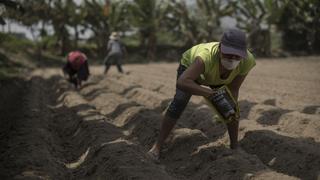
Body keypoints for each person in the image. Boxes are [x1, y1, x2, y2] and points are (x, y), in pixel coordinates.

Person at [147, 28, 256, 161]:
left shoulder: (247, 61)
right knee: (179, 102)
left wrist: (228, 107)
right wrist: (208, 93)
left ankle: (234, 147)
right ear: (221, 47)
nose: (232, 59)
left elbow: (233, 89)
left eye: (237, 55)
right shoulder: (205, 57)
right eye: (228, 54)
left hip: (215, 78)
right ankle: (157, 147)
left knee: (231, 108)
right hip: (191, 73)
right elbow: (182, 82)